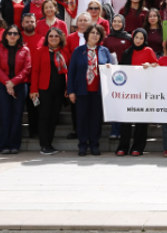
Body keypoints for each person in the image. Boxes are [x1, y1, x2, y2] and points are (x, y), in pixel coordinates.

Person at [68, 24, 112, 156]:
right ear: (87, 35)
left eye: (97, 33)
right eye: (92, 32)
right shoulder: (78, 51)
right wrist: (71, 91)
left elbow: (110, 72)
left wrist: (109, 67)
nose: (95, 35)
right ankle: (82, 145)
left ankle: (94, 144)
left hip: (98, 92)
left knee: (96, 119)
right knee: (82, 118)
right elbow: (71, 72)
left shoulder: (104, 51)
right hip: (82, 91)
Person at [117, 29, 158, 156]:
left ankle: (138, 147)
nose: (138, 40)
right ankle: (123, 147)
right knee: (126, 120)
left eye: (141, 38)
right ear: (133, 38)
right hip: (129, 90)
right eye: (136, 37)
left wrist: (150, 66)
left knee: (141, 120)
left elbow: (157, 65)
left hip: (144, 90)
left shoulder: (149, 51)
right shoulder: (127, 52)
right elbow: (120, 70)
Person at [0, 25, 31, 154]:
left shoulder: (25, 50)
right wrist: (7, 83)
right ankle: (4, 145)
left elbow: (27, 68)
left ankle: (14, 145)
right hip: (3, 86)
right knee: (5, 115)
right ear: (6, 35)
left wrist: (13, 82)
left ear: (19, 36)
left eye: (15, 33)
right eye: (10, 33)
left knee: (17, 115)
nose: (12, 35)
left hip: (20, 86)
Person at [31, 27, 69, 155]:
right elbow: (35, 71)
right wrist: (33, 89)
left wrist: (67, 89)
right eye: (51, 36)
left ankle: (49, 144)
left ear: (60, 38)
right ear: (47, 38)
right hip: (44, 90)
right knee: (44, 117)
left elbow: (67, 72)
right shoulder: (40, 51)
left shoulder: (65, 52)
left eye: (56, 36)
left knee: (54, 118)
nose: (53, 38)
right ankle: (44, 145)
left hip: (59, 91)